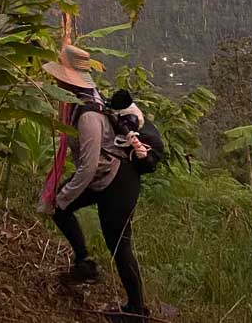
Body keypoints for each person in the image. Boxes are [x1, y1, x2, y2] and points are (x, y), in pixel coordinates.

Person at [41, 45, 150, 322]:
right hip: (104, 176)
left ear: (67, 79)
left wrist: (63, 196)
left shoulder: (88, 115)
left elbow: (88, 168)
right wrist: (61, 197)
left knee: (119, 245)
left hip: (117, 181)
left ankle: (137, 310)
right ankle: (84, 264)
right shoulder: (82, 100)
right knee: (60, 206)